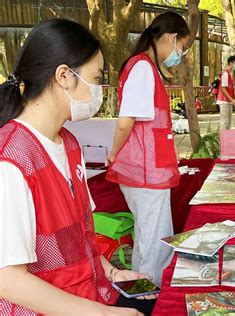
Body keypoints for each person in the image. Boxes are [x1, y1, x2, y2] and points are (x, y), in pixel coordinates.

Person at [0, 19, 155, 315]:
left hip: (90, 292)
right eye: (95, 79)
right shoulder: (11, 160)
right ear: (64, 76)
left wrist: (111, 273)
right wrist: (103, 313)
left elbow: (80, 238)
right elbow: (7, 279)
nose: (98, 90)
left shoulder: (69, 144)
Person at [106, 12, 189, 288]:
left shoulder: (146, 68)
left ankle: (142, 288)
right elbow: (126, 121)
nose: (181, 54)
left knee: (148, 237)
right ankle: (150, 293)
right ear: (171, 38)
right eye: (183, 47)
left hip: (150, 167)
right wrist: (113, 153)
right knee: (156, 240)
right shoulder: (142, 68)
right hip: (145, 170)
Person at [217, 55, 235, 130]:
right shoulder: (225, 73)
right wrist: (232, 100)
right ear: (230, 63)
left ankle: (226, 139)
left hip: (229, 101)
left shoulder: (231, 74)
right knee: (224, 122)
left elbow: (229, 88)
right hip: (224, 101)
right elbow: (223, 89)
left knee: (229, 122)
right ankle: (223, 140)